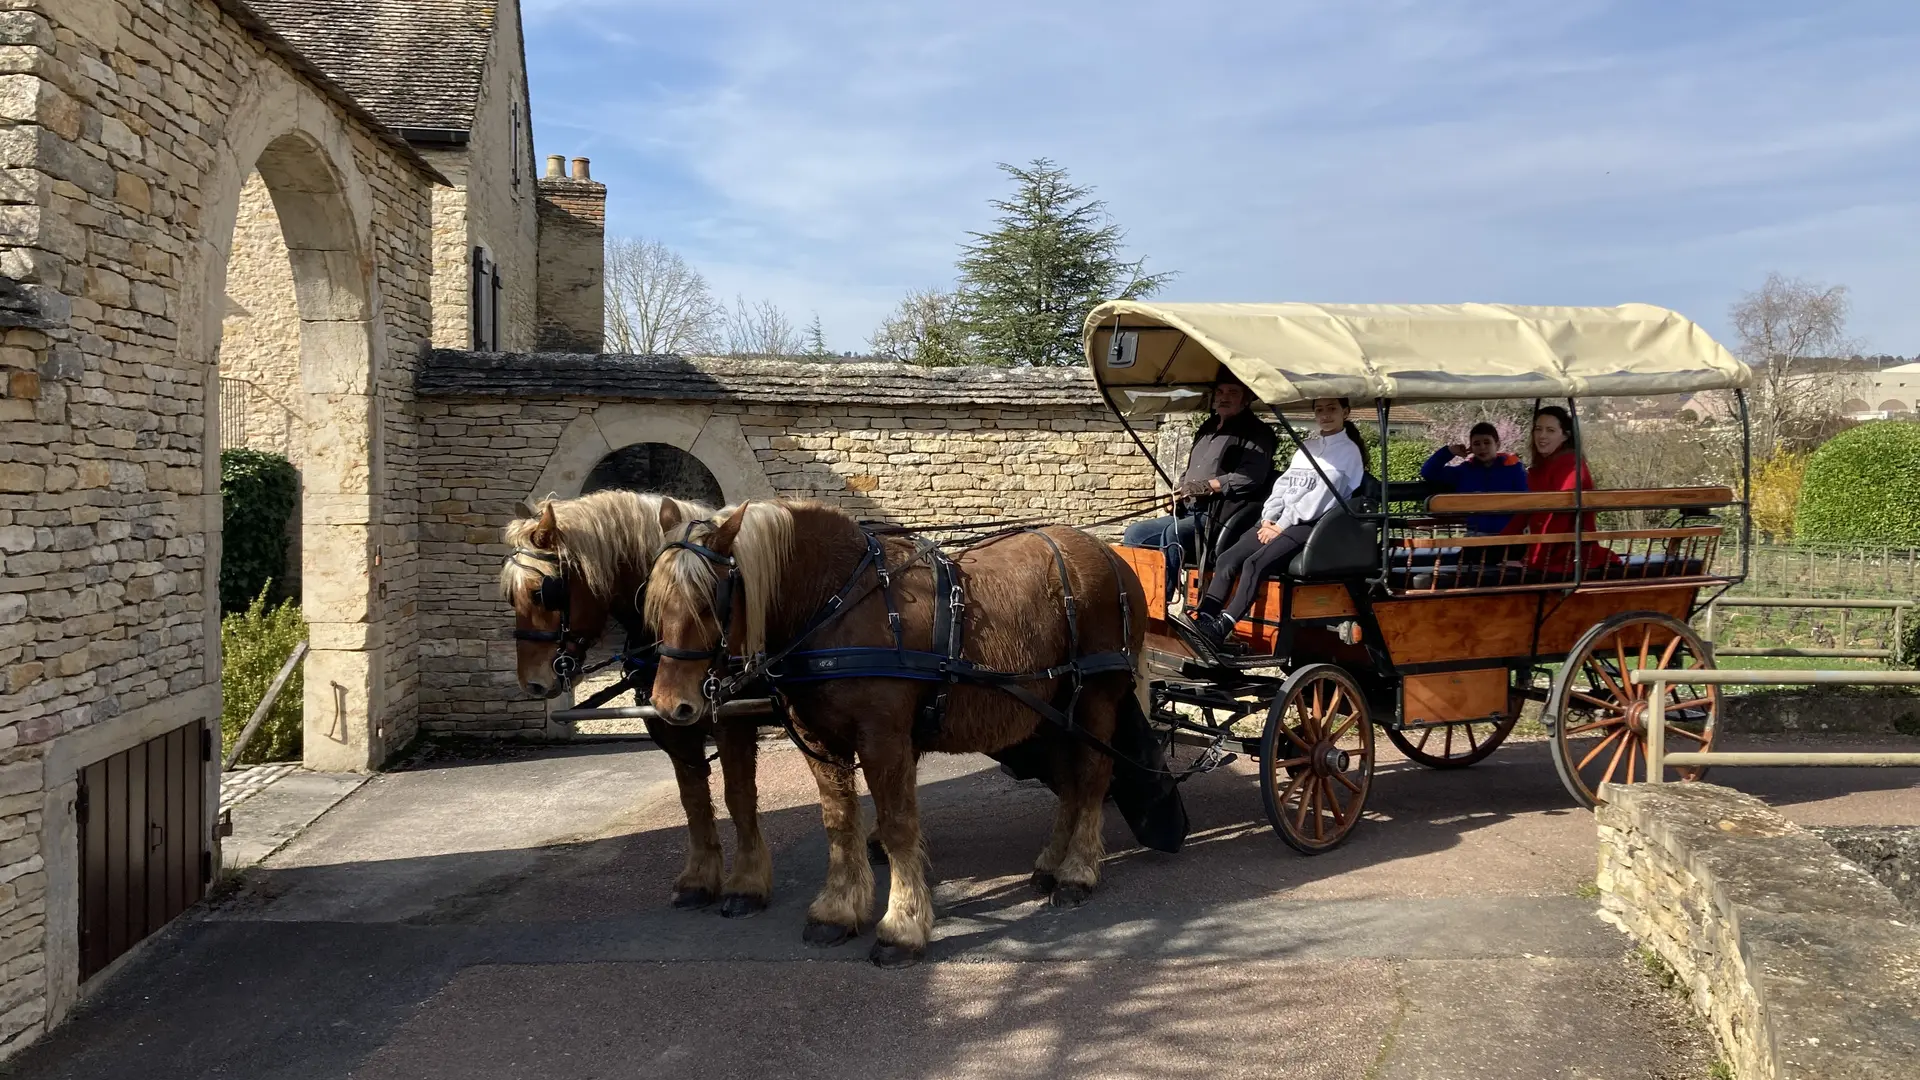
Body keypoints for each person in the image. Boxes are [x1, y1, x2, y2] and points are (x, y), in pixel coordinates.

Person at [1189, 397, 1367, 644]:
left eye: (1332, 409)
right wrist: (1268, 518)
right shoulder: (1308, 447)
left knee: (1254, 564)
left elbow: (1320, 498)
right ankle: (1205, 617)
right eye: (1319, 410)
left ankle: (1222, 626)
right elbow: (1284, 485)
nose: (1325, 415)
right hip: (1278, 520)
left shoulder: (1347, 452)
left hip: (1312, 524)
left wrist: (1281, 525)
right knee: (1227, 559)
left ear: (1345, 412)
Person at [1122, 371, 1277, 600]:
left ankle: (1162, 599)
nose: (1224, 397)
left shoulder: (1258, 433)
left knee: (1172, 533)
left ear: (1246, 399)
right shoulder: (1207, 427)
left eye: (1232, 392)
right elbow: (1191, 470)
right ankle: (1139, 596)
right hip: (1189, 511)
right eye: (1220, 392)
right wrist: (1178, 491)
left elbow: (1250, 478)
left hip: (1219, 516)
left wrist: (1208, 486)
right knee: (1135, 533)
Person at [1500, 405, 1620, 574]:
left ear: (1565, 435)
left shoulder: (1569, 465)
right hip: (1547, 548)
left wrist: (1534, 560)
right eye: (1538, 429)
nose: (1542, 435)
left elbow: (1559, 517)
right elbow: (1527, 511)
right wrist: (1497, 543)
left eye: (1550, 430)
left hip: (1565, 553)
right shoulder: (1544, 465)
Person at [1419, 421, 1528, 534]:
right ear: (1471, 448)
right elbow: (1428, 472)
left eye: (1487, 442)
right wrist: (1449, 451)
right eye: (1477, 444)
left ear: (1497, 445)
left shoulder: (1514, 469)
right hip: (1475, 534)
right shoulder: (1464, 471)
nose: (1482, 447)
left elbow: (1524, 502)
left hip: (1509, 534)